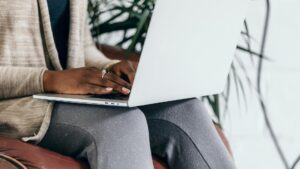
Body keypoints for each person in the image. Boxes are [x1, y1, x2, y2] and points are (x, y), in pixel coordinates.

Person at [0, 0, 235, 169]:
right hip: (15, 105)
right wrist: (48, 79)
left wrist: (111, 68)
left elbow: (83, 48)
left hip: (67, 96)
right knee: (121, 124)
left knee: (184, 111)